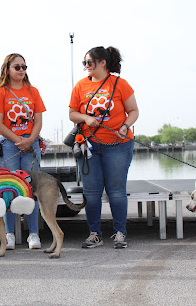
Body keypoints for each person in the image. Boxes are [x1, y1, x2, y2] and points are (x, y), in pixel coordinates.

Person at [68, 46, 139, 249]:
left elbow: (133, 110)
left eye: (89, 62)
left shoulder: (119, 83)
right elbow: (72, 114)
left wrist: (125, 126)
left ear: (102, 63)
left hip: (118, 144)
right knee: (91, 192)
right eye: (84, 63)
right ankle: (94, 233)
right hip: (88, 145)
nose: (86, 67)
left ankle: (119, 232)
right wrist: (86, 118)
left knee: (116, 191)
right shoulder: (80, 86)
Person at [0, 53, 46, 250]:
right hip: (9, 146)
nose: (22, 70)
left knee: (32, 190)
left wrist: (30, 140)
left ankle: (33, 234)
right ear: (7, 69)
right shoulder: (1, 93)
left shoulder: (33, 91)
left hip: (31, 146)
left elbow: (38, 120)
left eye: (24, 67)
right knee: (8, 190)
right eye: (17, 67)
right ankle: (10, 234)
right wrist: (18, 140)